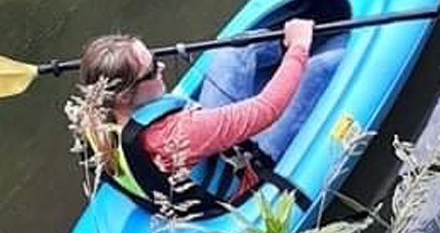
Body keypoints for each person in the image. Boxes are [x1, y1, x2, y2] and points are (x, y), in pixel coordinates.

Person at [75, 18, 314, 213]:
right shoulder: (175, 134)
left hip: (193, 156)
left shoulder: (94, 120)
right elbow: (267, 109)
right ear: (124, 96)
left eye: (155, 58)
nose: (162, 68)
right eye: (151, 69)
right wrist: (299, 47)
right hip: (247, 176)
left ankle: (286, 39)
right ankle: (302, 40)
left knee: (234, 52)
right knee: (317, 71)